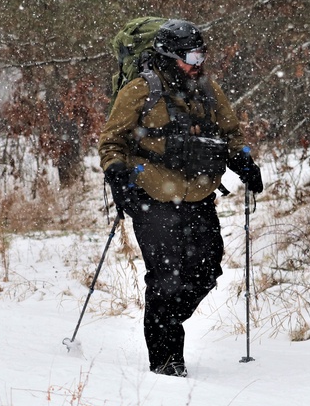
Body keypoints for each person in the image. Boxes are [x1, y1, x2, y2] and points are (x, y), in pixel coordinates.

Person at [98, 19, 263, 377]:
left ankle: (165, 320)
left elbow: (231, 132)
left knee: (207, 270)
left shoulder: (207, 88)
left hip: (199, 195)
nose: (198, 61)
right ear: (169, 56)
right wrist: (117, 174)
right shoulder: (140, 90)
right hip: (152, 196)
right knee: (166, 278)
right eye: (191, 55)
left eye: (201, 53)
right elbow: (112, 141)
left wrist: (243, 161)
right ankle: (167, 365)